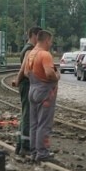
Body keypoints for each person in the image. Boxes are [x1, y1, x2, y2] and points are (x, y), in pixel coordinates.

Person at [24, 30, 59, 161]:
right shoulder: (45, 54)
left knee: (34, 123)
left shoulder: (31, 53)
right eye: (50, 41)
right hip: (45, 92)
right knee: (44, 123)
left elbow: (27, 73)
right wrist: (57, 77)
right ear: (46, 40)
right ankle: (42, 153)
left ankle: (33, 151)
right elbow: (49, 73)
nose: (51, 43)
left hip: (32, 89)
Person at [12, 26, 41, 154]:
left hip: (25, 84)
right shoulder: (30, 49)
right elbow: (25, 68)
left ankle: (20, 144)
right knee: (28, 114)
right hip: (27, 84)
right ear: (34, 35)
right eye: (39, 35)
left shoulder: (27, 48)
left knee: (25, 113)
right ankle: (25, 145)